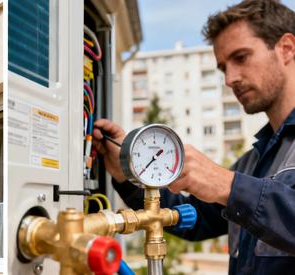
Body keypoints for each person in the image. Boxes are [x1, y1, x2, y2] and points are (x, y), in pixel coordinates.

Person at [93, 1, 295, 273]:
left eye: (241, 57)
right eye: (223, 67)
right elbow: (193, 218)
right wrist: (125, 173)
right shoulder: (254, 161)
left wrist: (227, 185)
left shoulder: (244, 175)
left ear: (286, 49)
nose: (230, 78)